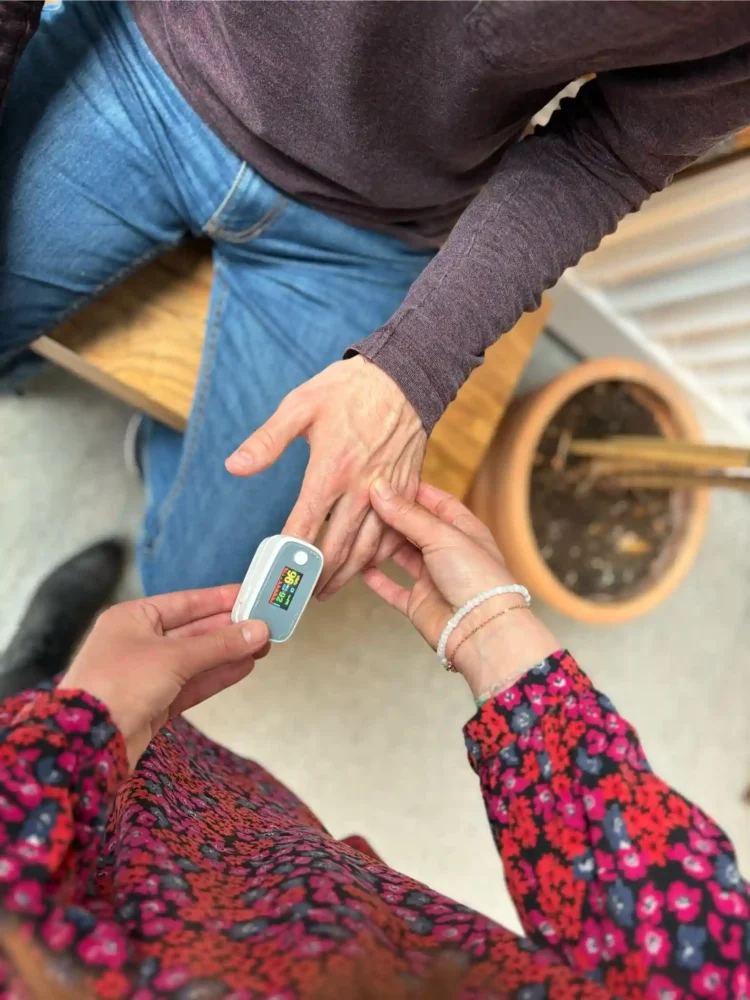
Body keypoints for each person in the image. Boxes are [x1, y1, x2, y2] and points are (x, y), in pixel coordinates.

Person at [1, 2, 749, 598]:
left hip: (374, 226)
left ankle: (157, 446)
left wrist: (414, 366)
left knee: (214, 601)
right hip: (152, 56)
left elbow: (610, 150)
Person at [0, 481, 746, 999]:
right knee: (153, 745)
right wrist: (496, 635)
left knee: (89, 732)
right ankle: (41, 689)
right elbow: (683, 943)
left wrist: (73, 730)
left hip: (110, 881)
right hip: (304, 888)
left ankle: (27, 682)